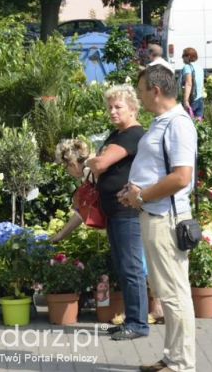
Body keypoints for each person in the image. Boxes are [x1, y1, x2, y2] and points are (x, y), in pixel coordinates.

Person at [50, 85, 151, 341]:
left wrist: (98, 162)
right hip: (114, 211)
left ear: (133, 108)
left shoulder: (132, 135)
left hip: (126, 211)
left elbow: (100, 163)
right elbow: (95, 163)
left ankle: (138, 323)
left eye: (118, 107)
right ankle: (131, 319)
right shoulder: (117, 135)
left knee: (131, 267)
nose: (112, 112)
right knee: (123, 266)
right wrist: (97, 162)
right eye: (110, 107)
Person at [119, 61, 198, 372]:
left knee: (175, 293)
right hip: (154, 214)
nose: (138, 98)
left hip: (166, 218)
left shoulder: (178, 124)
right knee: (167, 292)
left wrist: (141, 195)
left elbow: (181, 177)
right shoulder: (163, 121)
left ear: (156, 90)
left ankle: (182, 364)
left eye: (141, 92)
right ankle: (172, 357)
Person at [180, 48, 205, 118]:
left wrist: (185, 100)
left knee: (187, 123)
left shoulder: (187, 67)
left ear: (188, 57)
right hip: (200, 99)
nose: (182, 57)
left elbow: (188, 83)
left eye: (183, 55)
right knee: (198, 125)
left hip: (191, 100)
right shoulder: (200, 67)